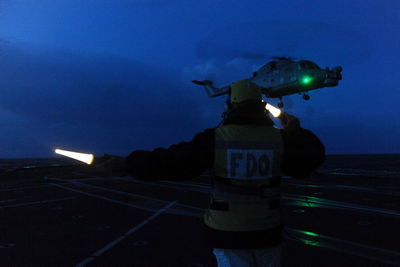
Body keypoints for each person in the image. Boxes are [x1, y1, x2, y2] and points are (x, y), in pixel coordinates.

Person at [98, 79, 325, 267]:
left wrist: (127, 164)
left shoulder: (216, 137)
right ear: (262, 107)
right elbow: (310, 160)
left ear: (231, 105)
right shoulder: (280, 138)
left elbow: (171, 163)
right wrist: (295, 129)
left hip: (228, 233)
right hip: (268, 231)